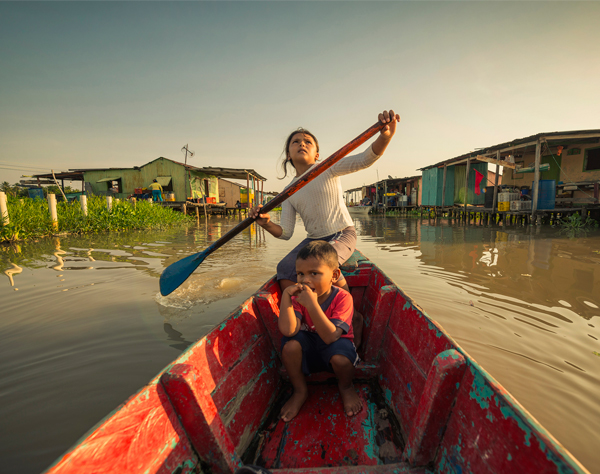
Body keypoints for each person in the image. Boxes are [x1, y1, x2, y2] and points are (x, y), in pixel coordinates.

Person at [250, 110, 400, 348]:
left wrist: (385, 136)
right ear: (288, 155)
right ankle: (305, 315)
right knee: (285, 268)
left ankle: (351, 317)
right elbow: (285, 232)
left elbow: (365, 159)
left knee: (323, 262)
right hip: (314, 239)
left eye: (308, 141)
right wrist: (266, 223)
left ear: (316, 153)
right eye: (296, 142)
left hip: (342, 233)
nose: (302, 144)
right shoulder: (289, 192)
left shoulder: (328, 167)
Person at [278, 240, 360, 422]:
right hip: (311, 347)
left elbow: (331, 337)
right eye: (300, 274)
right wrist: (286, 296)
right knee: (289, 346)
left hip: (336, 344)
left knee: (341, 359)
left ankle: (346, 387)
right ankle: (300, 390)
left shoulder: (343, 298)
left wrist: (312, 305)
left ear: (334, 275)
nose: (305, 280)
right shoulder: (299, 298)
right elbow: (289, 331)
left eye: (314, 273)